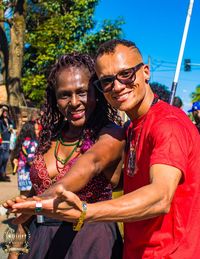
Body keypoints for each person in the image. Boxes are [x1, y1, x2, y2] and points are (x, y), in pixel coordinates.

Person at [9, 39, 200, 259]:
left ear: (146, 72)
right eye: (107, 81)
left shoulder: (168, 124)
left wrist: (85, 211)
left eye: (126, 74)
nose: (118, 86)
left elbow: (160, 196)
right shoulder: (131, 128)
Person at [5, 53, 124, 259]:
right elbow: (29, 205)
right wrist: (14, 252)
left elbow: (91, 164)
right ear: (55, 98)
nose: (74, 102)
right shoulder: (50, 136)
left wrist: (36, 204)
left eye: (82, 92)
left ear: (96, 92)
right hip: (39, 243)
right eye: (65, 94)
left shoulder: (110, 134)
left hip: (91, 243)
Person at [12, 121, 38, 196]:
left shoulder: (21, 141)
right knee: (30, 197)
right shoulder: (33, 143)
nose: (38, 131)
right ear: (31, 131)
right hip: (30, 173)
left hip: (21, 172)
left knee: (22, 195)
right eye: (36, 129)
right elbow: (30, 160)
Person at [0, 105, 15, 181]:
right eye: (4, 111)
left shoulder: (9, 121)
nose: (5, 112)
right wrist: (7, 129)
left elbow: (13, 127)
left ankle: (3, 175)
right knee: (2, 159)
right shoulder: (0, 121)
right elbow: (1, 132)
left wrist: (12, 129)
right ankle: (1, 175)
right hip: (2, 141)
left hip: (9, 141)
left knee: (6, 159)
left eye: (6, 111)